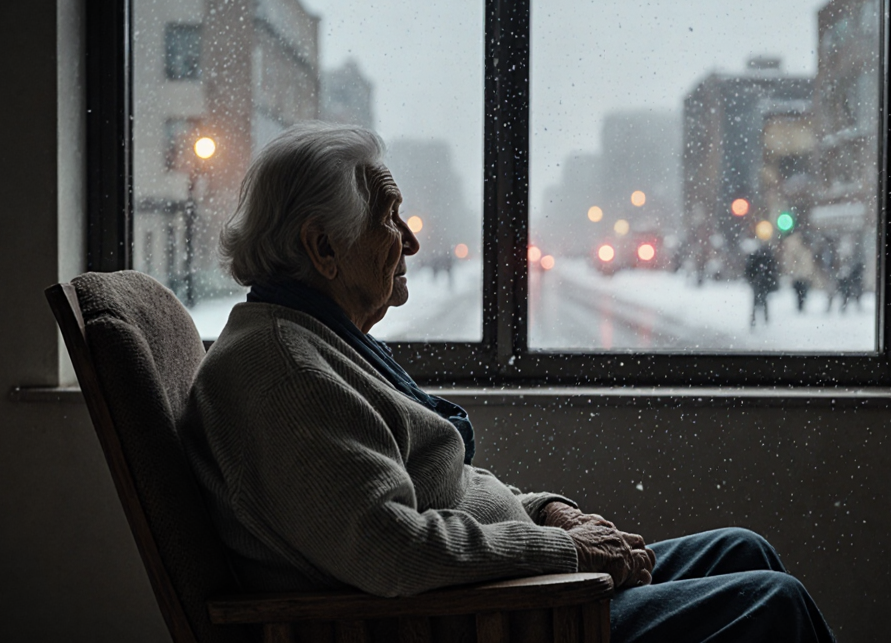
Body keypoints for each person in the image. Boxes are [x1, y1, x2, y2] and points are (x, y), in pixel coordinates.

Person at [179, 122, 835, 642]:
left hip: (502, 600)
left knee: (743, 552)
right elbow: (393, 552)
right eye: (388, 217)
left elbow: (446, 488)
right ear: (322, 247)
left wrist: (547, 510)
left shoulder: (309, 342)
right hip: (481, 623)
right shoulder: (284, 370)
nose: (409, 241)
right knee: (773, 604)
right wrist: (564, 551)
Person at [744, 243, 780, 329]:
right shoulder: (768, 257)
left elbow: (749, 269)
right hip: (764, 282)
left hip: (758, 282)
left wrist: (751, 278)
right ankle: (764, 319)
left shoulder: (755, 256)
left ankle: (755, 320)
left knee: (756, 301)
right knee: (763, 300)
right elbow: (773, 270)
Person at [782, 233, 816, 313]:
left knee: (802, 292)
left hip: (802, 275)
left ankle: (801, 306)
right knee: (800, 292)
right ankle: (800, 306)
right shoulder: (799, 250)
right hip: (800, 275)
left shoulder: (806, 250)